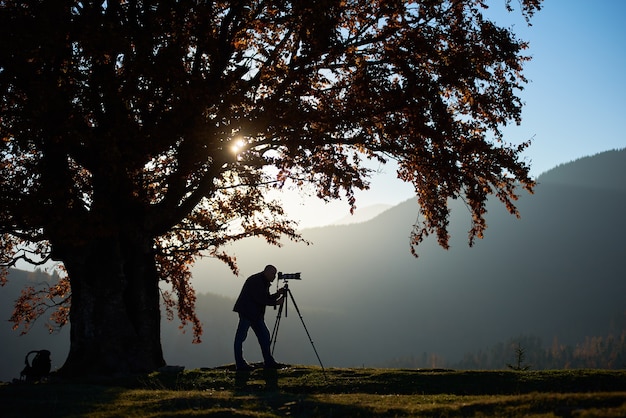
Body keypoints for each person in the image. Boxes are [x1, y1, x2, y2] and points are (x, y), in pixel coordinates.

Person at [233, 264, 286, 371]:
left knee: (265, 336)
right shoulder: (256, 281)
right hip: (248, 313)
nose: (274, 276)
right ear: (266, 272)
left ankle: (269, 361)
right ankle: (241, 364)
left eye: (275, 274)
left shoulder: (262, 281)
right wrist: (276, 302)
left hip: (255, 314)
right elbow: (261, 299)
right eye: (272, 274)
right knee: (240, 338)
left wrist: (277, 294)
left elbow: (265, 297)